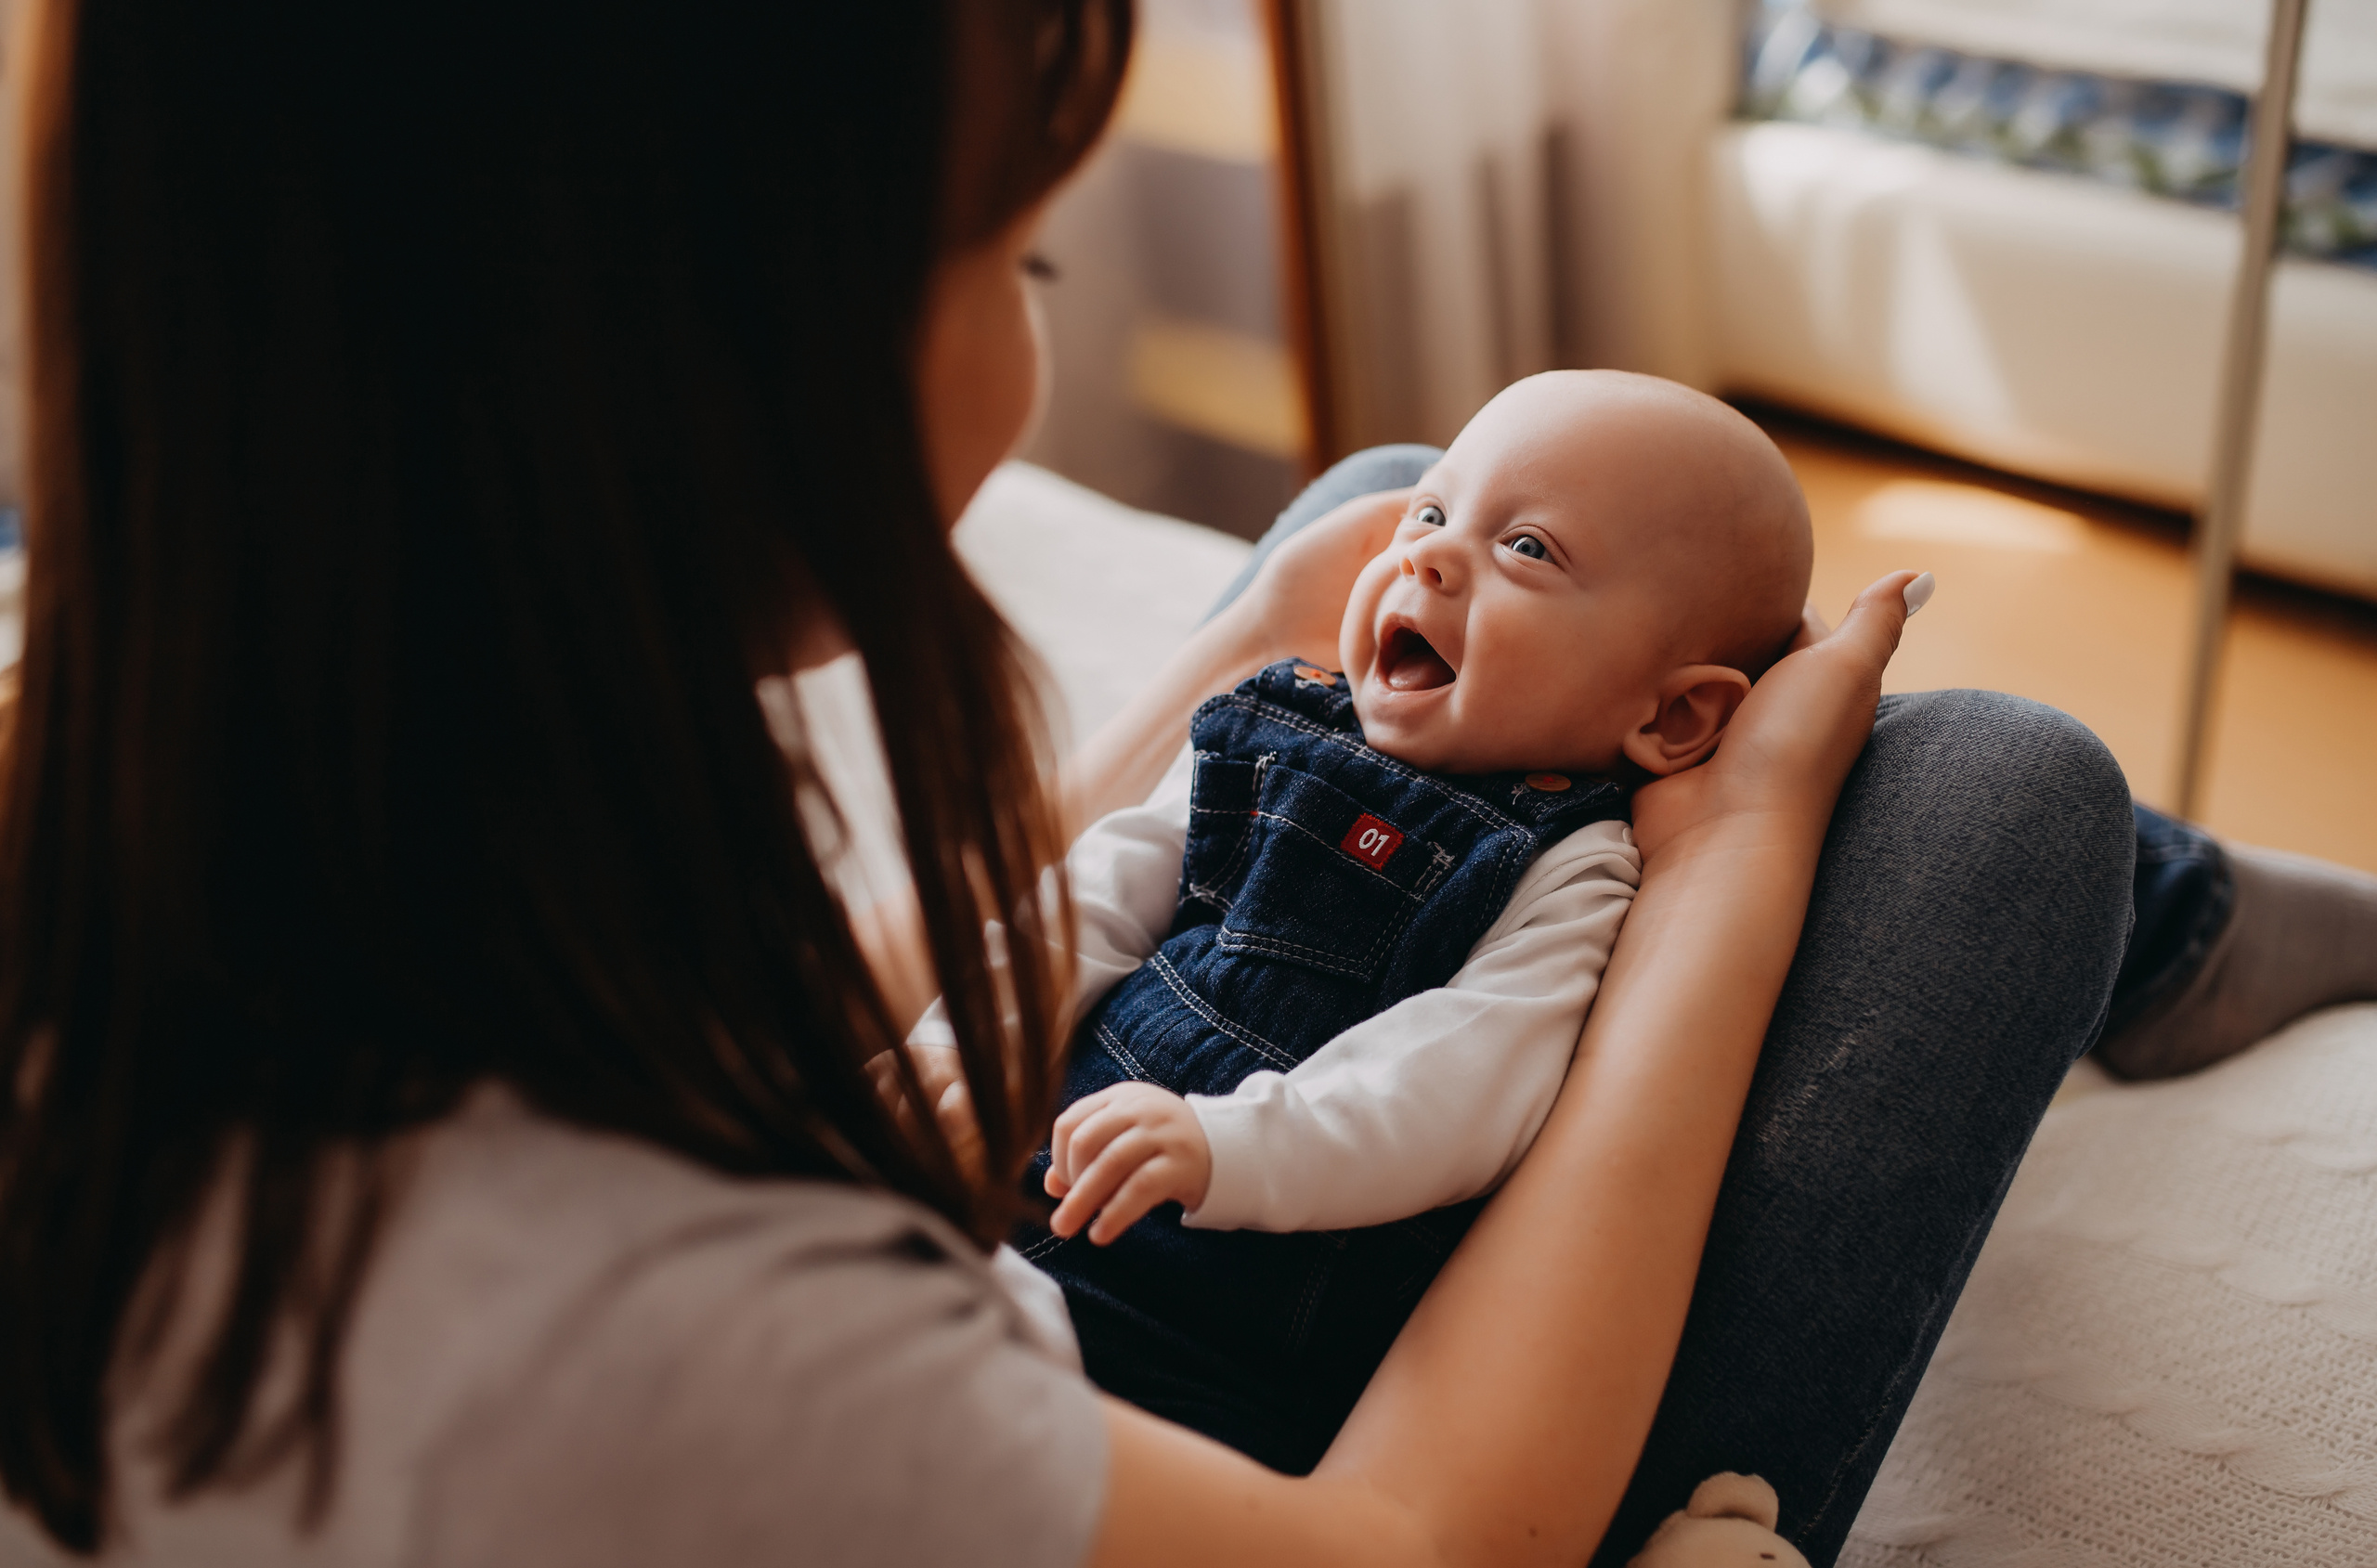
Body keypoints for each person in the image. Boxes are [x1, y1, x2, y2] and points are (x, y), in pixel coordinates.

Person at [0, 5, 2346, 1568]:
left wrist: (1237, 654)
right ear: (729, 369)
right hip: (1276, 1377)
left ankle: (2174, 910)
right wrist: (1718, 860)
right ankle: (2164, 909)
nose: (1037, 310)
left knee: (1403, 479)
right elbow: (1426, 1527)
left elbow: (871, 992)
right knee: (1992, 782)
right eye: (1017, 245)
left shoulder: (215, 790)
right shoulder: (689, 1341)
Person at [942, 372, 1822, 1473]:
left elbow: (1459, 1089)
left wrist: (1228, 1144)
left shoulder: (1572, 866)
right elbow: (1100, 893)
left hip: (1225, 1332)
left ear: (1672, 714)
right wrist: (965, 1043)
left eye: (1530, 550)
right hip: (1020, 1199)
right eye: (1432, 511)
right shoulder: (1271, 721)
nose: (1429, 556)